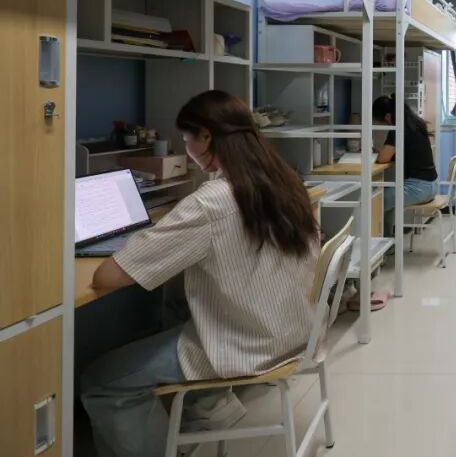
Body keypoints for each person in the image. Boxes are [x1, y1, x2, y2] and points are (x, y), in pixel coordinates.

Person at [81, 90, 320, 457]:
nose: (187, 148)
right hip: (291, 329)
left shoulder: (210, 202)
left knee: (101, 381)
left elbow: (106, 278)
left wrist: (146, 241)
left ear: (206, 136)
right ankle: (209, 410)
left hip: (244, 342)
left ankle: (189, 422)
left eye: (186, 138)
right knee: (176, 302)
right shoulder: (283, 181)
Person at [372, 95, 438, 236]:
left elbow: (383, 158)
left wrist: (380, 153)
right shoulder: (414, 124)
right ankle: (387, 239)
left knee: (376, 201)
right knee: (386, 199)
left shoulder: (398, 128)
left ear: (388, 116)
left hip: (419, 189)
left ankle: (382, 241)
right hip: (431, 185)